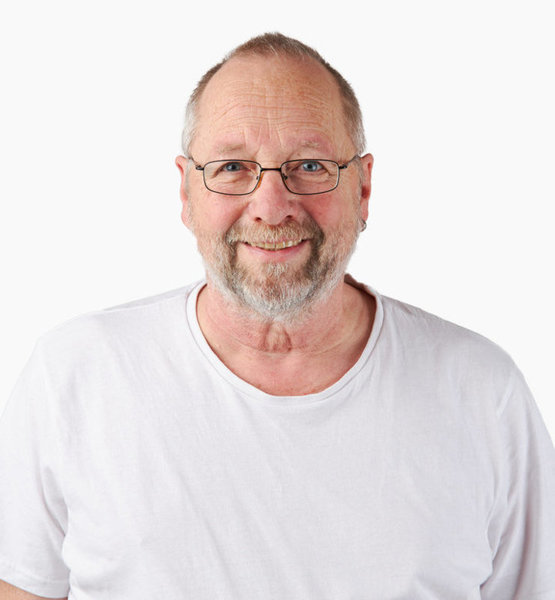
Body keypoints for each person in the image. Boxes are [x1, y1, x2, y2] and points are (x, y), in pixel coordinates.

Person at [1, 32, 554, 600]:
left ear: (363, 187)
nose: (270, 207)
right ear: (186, 193)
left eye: (310, 165)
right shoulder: (76, 375)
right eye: (233, 167)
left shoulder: (483, 392)